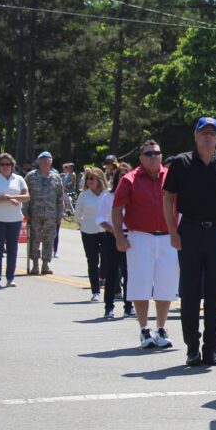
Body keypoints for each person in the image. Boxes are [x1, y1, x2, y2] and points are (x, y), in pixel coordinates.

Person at [163, 117, 216, 367]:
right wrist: (172, 231)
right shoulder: (181, 162)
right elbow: (168, 198)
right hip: (189, 230)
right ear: (196, 136)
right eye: (204, 133)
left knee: (215, 293)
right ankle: (192, 348)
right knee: (190, 292)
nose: (208, 137)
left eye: (212, 133)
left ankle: (211, 349)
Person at [112, 140, 178, 350]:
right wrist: (119, 237)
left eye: (157, 153)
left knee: (165, 285)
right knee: (140, 284)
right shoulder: (129, 179)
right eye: (149, 153)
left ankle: (161, 328)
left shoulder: (171, 176)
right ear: (140, 157)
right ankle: (144, 329)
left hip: (168, 237)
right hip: (140, 237)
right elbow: (116, 209)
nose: (153, 156)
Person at [0, 153, 29, 288]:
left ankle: (10, 277)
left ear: (12, 166)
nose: (5, 167)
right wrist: (7, 199)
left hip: (14, 219)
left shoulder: (19, 179)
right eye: (2, 164)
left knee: (12, 249)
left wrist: (10, 196)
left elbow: (26, 196)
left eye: (8, 164)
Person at [98, 162, 132, 318]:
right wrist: (115, 232)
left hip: (131, 236)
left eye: (127, 174)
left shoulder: (135, 196)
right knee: (113, 271)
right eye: (121, 175)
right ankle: (109, 307)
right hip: (112, 237)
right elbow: (101, 219)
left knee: (129, 272)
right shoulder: (108, 196)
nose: (124, 177)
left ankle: (129, 306)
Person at [74, 168, 109, 312]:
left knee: (107, 259)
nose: (89, 181)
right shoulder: (84, 195)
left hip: (106, 231)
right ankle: (95, 291)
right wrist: (83, 224)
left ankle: (106, 281)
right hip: (89, 231)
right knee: (92, 261)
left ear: (100, 180)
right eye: (88, 179)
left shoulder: (107, 194)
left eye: (92, 179)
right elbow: (77, 214)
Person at [23, 151, 64, 275]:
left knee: (49, 239)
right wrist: (25, 210)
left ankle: (45, 264)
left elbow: (60, 197)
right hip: (35, 214)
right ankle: (35, 264)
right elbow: (25, 194)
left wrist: (60, 214)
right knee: (34, 239)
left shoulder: (56, 177)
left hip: (51, 214)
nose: (46, 162)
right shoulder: (31, 176)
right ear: (38, 162)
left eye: (49, 160)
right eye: (44, 160)